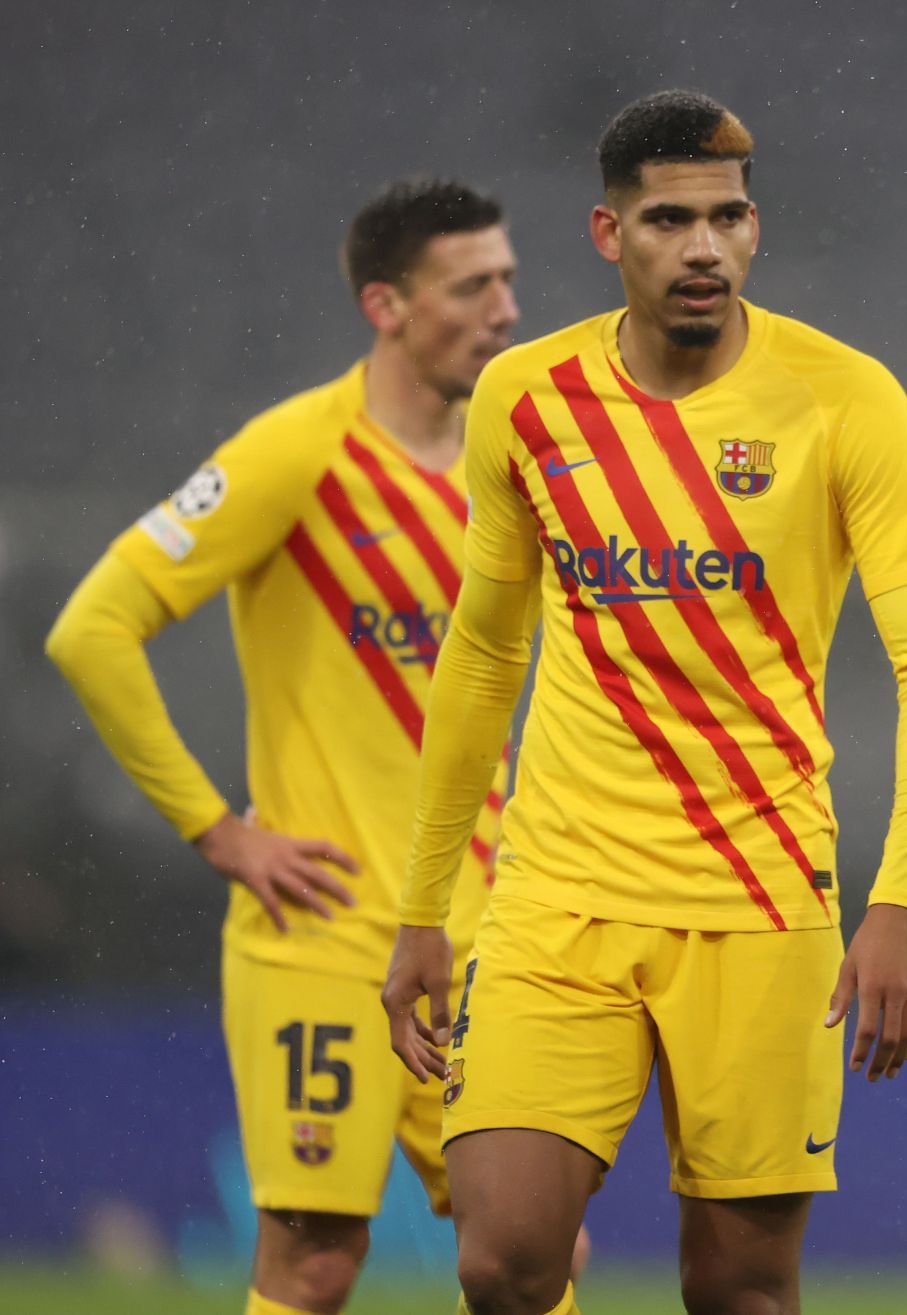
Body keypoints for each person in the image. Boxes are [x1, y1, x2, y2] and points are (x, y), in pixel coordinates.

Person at [379, 90, 907, 1315]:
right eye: (669, 220)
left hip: (760, 899)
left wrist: (904, 898)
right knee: (502, 1259)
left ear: (755, 229)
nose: (704, 247)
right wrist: (425, 904)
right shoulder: (526, 399)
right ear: (610, 235)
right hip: (559, 894)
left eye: (729, 217)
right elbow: (484, 656)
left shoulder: (846, 399)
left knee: (743, 1291)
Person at [45, 179, 522, 1315]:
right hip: (324, 933)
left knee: (527, 1253)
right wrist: (218, 829)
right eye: (472, 285)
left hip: (488, 933)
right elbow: (92, 628)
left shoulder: (518, 464)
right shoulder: (295, 452)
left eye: (508, 279)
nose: (505, 308)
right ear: (387, 305)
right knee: (314, 1260)